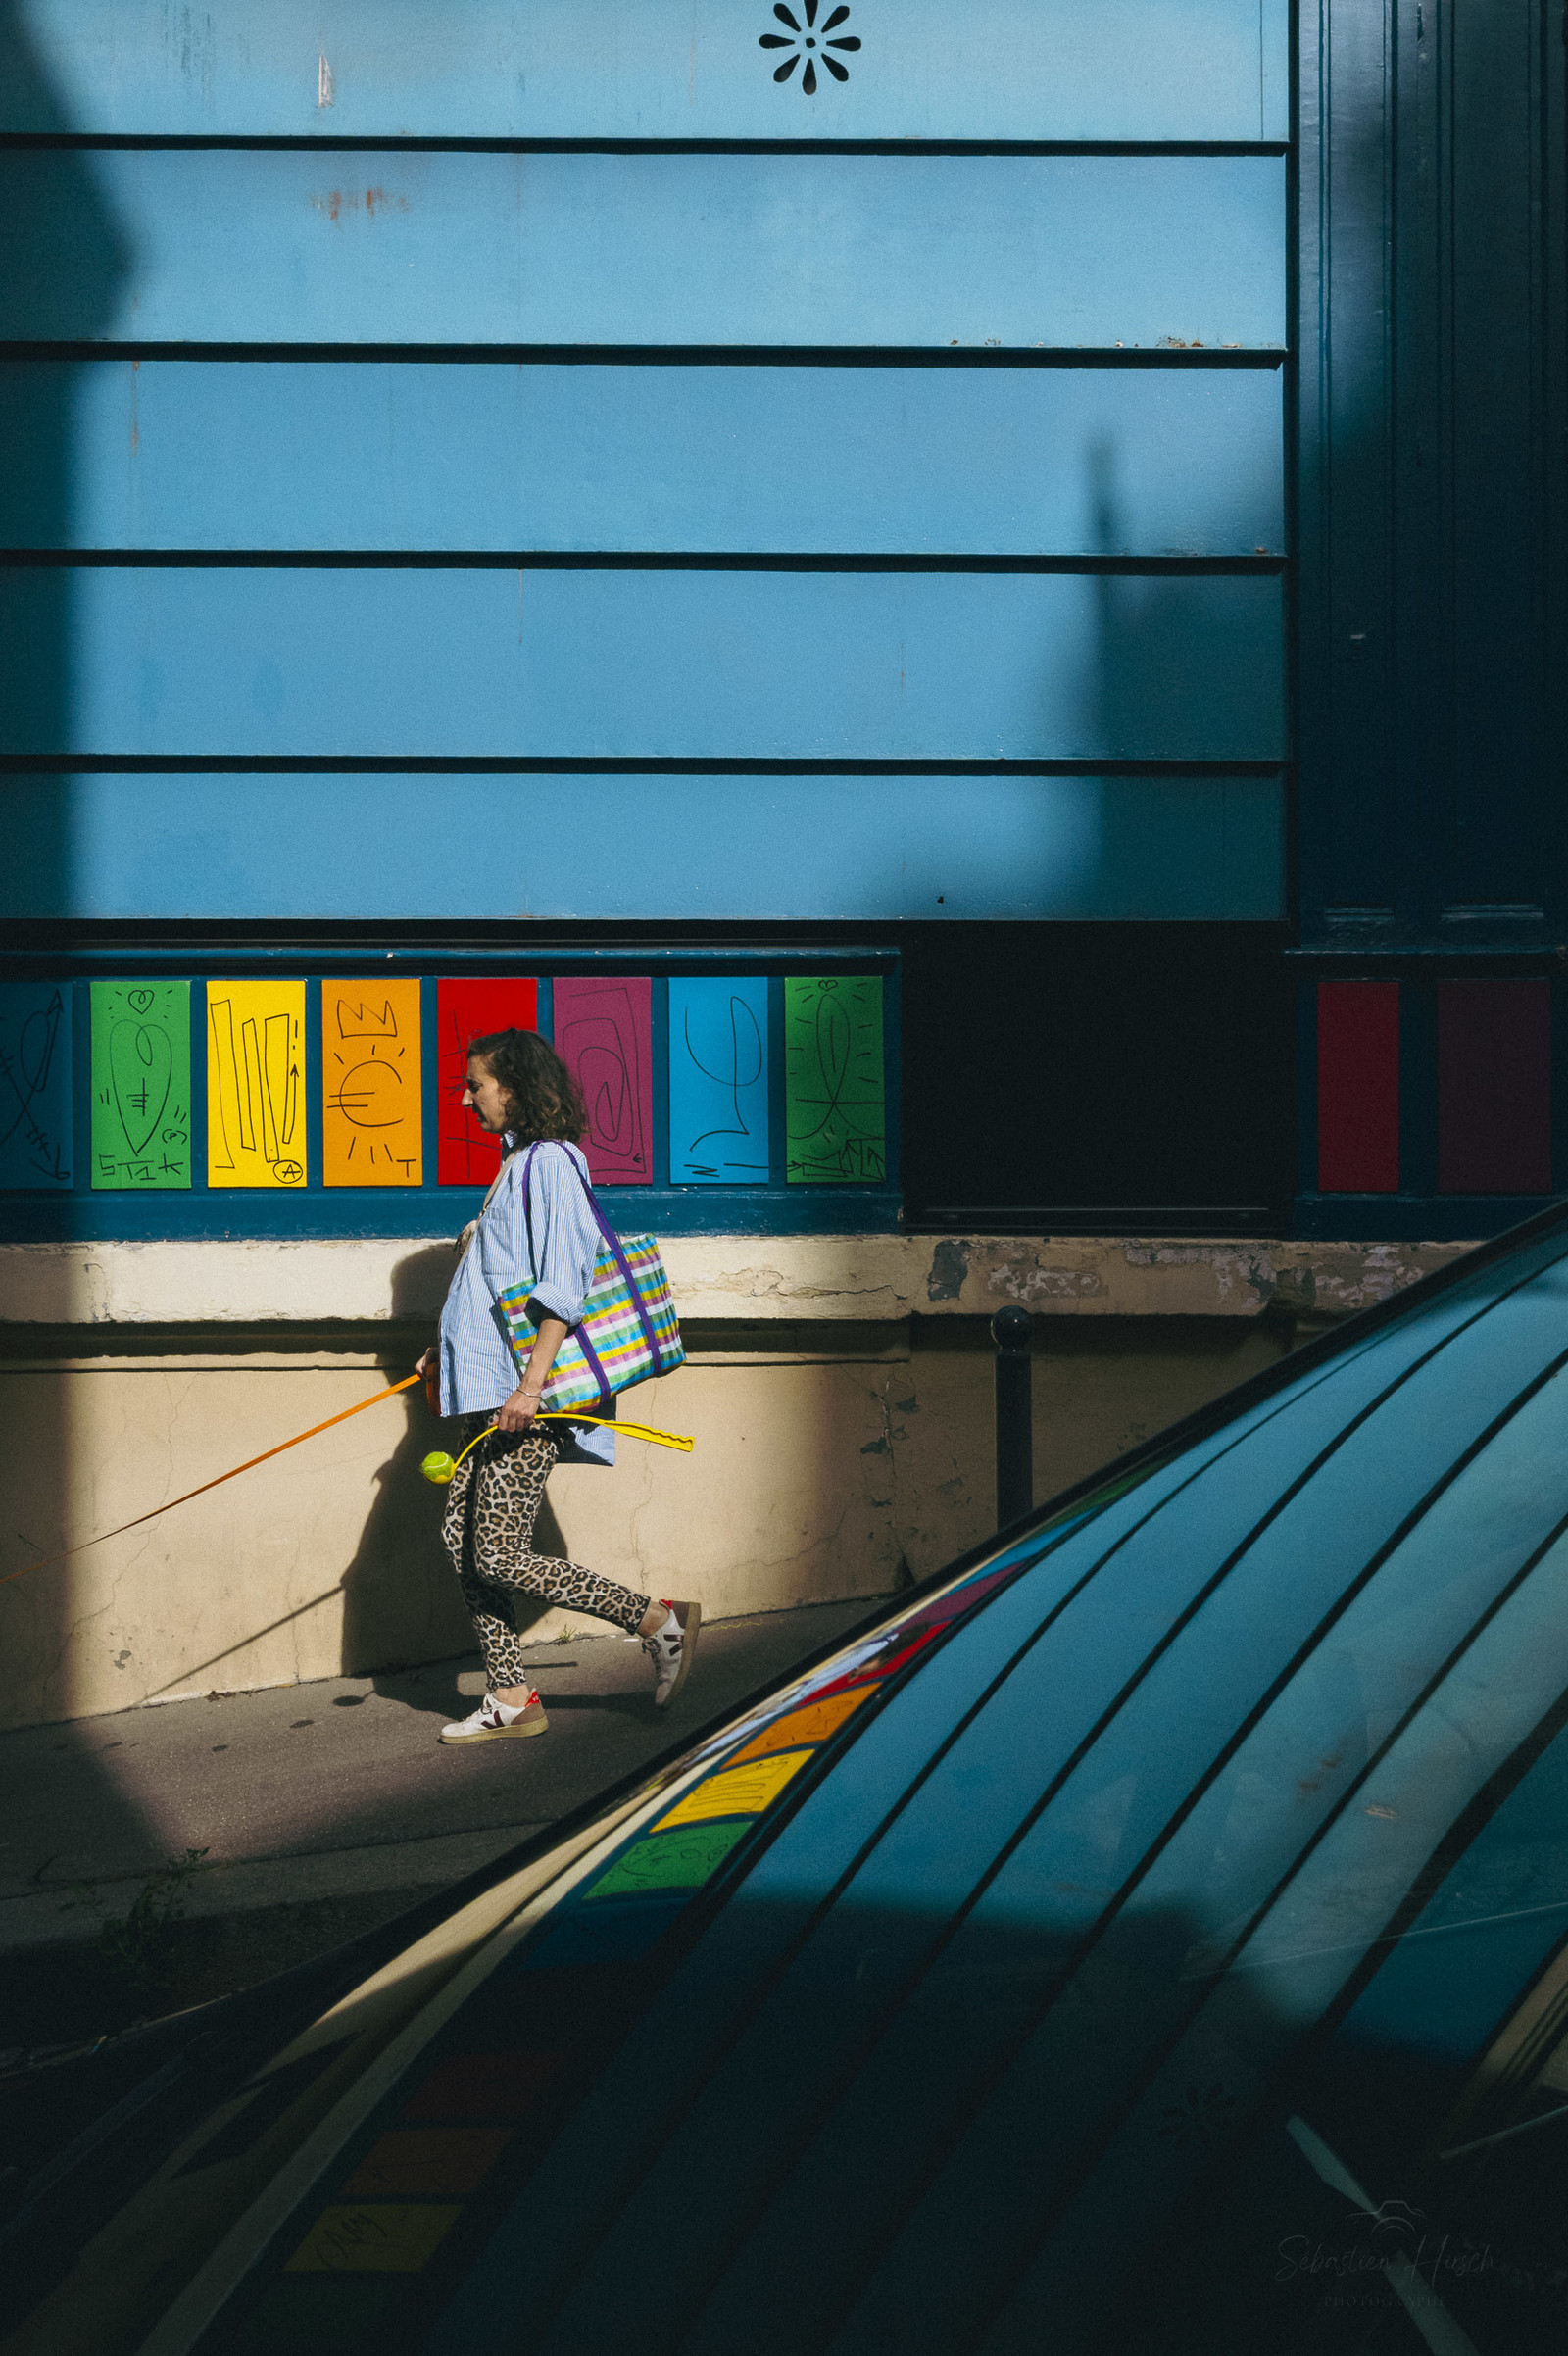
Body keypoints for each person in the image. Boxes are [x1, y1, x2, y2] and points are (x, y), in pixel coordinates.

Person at [416, 1027, 698, 1743]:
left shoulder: (550, 1164)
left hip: (524, 1396)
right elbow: (491, 1282)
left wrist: (532, 1387)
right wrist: (441, 1351)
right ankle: (510, 1696)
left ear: (513, 1086)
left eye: (475, 1084)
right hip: (488, 1391)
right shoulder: (514, 1166)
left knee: (498, 1552)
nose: (465, 1097)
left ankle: (659, 1622)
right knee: (461, 1542)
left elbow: (564, 1280)